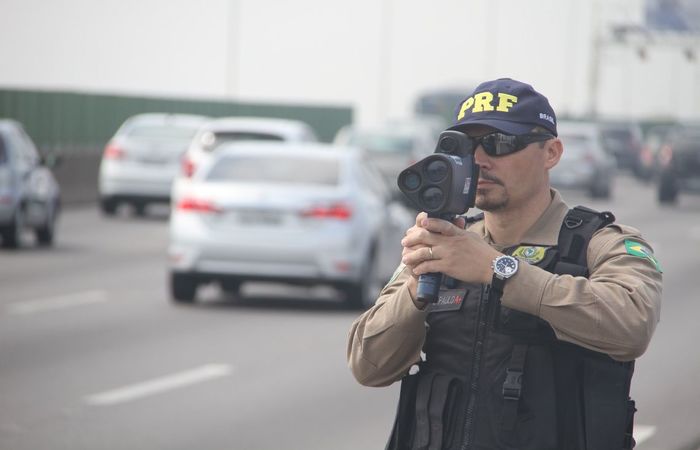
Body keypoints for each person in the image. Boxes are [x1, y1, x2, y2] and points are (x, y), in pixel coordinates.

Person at [346, 78, 662, 450]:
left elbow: (632, 325)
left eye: (500, 143)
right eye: (467, 145)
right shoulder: (446, 242)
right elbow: (368, 366)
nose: (479, 160)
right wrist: (418, 285)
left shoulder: (601, 243)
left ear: (551, 152)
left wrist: (499, 271)